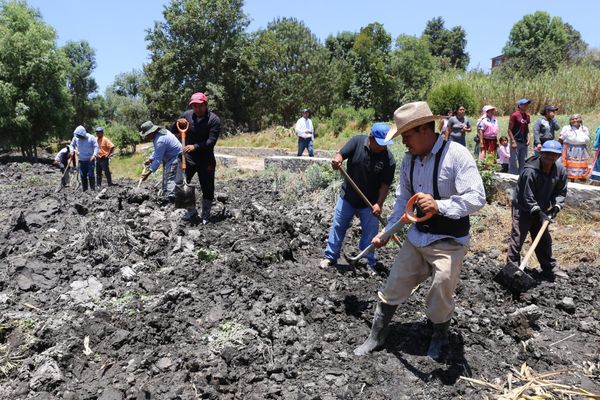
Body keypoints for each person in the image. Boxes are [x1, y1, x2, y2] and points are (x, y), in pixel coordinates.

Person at [354, 102, 486, 360]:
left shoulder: (456, 155)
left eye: (407, 136)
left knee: (441, 287)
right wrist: (388, 232)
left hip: (449, 241)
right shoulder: (409, 161)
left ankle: (439, 335)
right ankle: (376, 336)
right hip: (417, 238)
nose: (404, 143)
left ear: (425, 130)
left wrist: (440, 205)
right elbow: (404, 200)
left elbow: (477, 197)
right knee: (393, 284)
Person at [320, 123, 396, 271]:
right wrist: (337, 160)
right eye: (380, 144)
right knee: (338, 226)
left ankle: (367, 262)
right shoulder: (357, 142)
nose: (383, 147)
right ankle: (330, 257)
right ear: (371, 138)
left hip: (370, 203)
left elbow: (385, 185)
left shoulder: (388, 159)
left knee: (370, 233)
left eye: (385, 144)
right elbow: (341, 154)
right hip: (348, 196)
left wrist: (379, 204)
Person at [507, 140, 568, 282]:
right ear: (541, 153)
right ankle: (511, 270)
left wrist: (556, 207)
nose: (550, 157)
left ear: (558, 156)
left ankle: (549, 269)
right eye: (547, 154)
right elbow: (527, 196)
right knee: (517, 239)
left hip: (542, 209)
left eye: (554, 155)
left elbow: (561, 192)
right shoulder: (530, 171)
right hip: (523, 208)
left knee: (544, 240)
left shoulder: (560, 170)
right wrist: (538, 212)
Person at [173, 92, 221, 224]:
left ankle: (206, 214)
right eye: (194, 106)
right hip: (188, 157)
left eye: (200, 106)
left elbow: (211, 141)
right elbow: (175, 130)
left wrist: (195, 146)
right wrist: (178, 123)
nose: (197, 109)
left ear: (206, 105)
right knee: (180, 182)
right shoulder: (187, 115)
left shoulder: (214, 120)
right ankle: (191, 212)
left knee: (207, 187)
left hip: (206, 159)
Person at [139, 121, 183, 203]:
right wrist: (151, 159)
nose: (146, 137)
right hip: (172, 157)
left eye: (146, 135)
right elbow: (157, 150)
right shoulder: (159, 134)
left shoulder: (160, 140)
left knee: (170, 178)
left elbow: (158, 160)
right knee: (169, 177)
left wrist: (148, 173)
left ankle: (172, 202)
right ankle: (170, 196)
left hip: (176, 157)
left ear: (151, 132)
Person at [559, 114, 590, 182]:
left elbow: (587, 139)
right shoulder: (566, 128)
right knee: (570, 164)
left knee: (581, 163)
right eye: (573, 119)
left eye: (577, 118)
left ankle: (581, 178)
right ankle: (571, 179)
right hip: (570, 148)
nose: (575, 120)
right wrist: (559, 149)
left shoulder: (584, 128)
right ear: (570, 121)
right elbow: (561, 139)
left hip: (582, 149)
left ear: (580, 120)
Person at [70, 126, 98, 192]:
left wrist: (94, 155)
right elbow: (71, 145)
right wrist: (72, 150)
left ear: (83, 134)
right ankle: (85, 190)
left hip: (90, 160)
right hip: (81, 160)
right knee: (83, 175)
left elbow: (96, 147)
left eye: (80, 136)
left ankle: (92, 189)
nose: (79, 137)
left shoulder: (91, 138)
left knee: (91, 174)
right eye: (78, 136)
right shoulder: (76, 138)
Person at [508, 99, 532, 175]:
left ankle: (521, 176)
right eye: (525, 104)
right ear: (520, 106)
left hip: (524, 141)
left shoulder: (527, 116)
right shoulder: (514, 115)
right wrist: (513, 141)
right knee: (513, 160)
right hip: (516, 140)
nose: (527, 106)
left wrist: (529, 137)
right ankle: (512, 176)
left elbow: (527, 128)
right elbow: (509, 129)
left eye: (527, 104)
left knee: (523, 160)